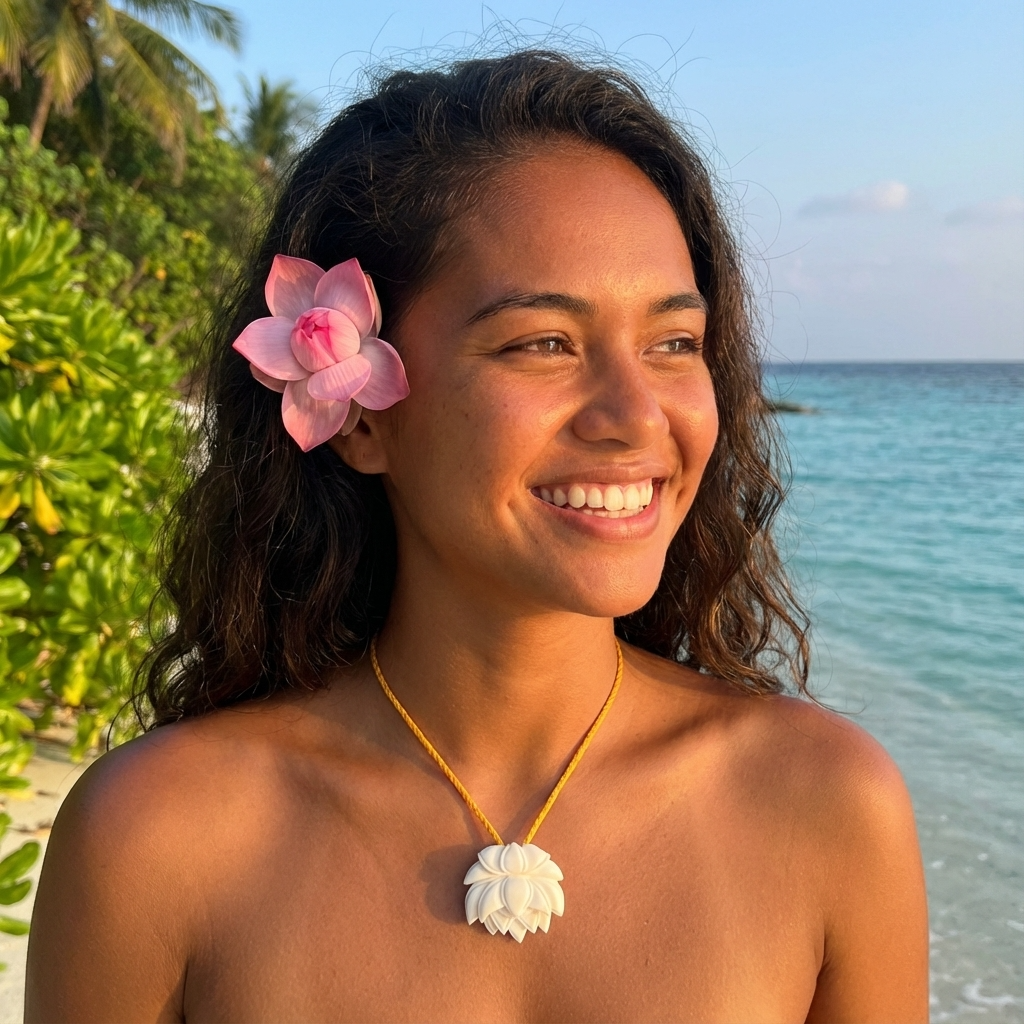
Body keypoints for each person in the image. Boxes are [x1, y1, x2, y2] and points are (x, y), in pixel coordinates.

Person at [25, 51, 929, 1022]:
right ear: (360, 413)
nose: (635, 415)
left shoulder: (826, 805)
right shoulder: (157, 839)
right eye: (542, 342)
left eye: (673, 343)